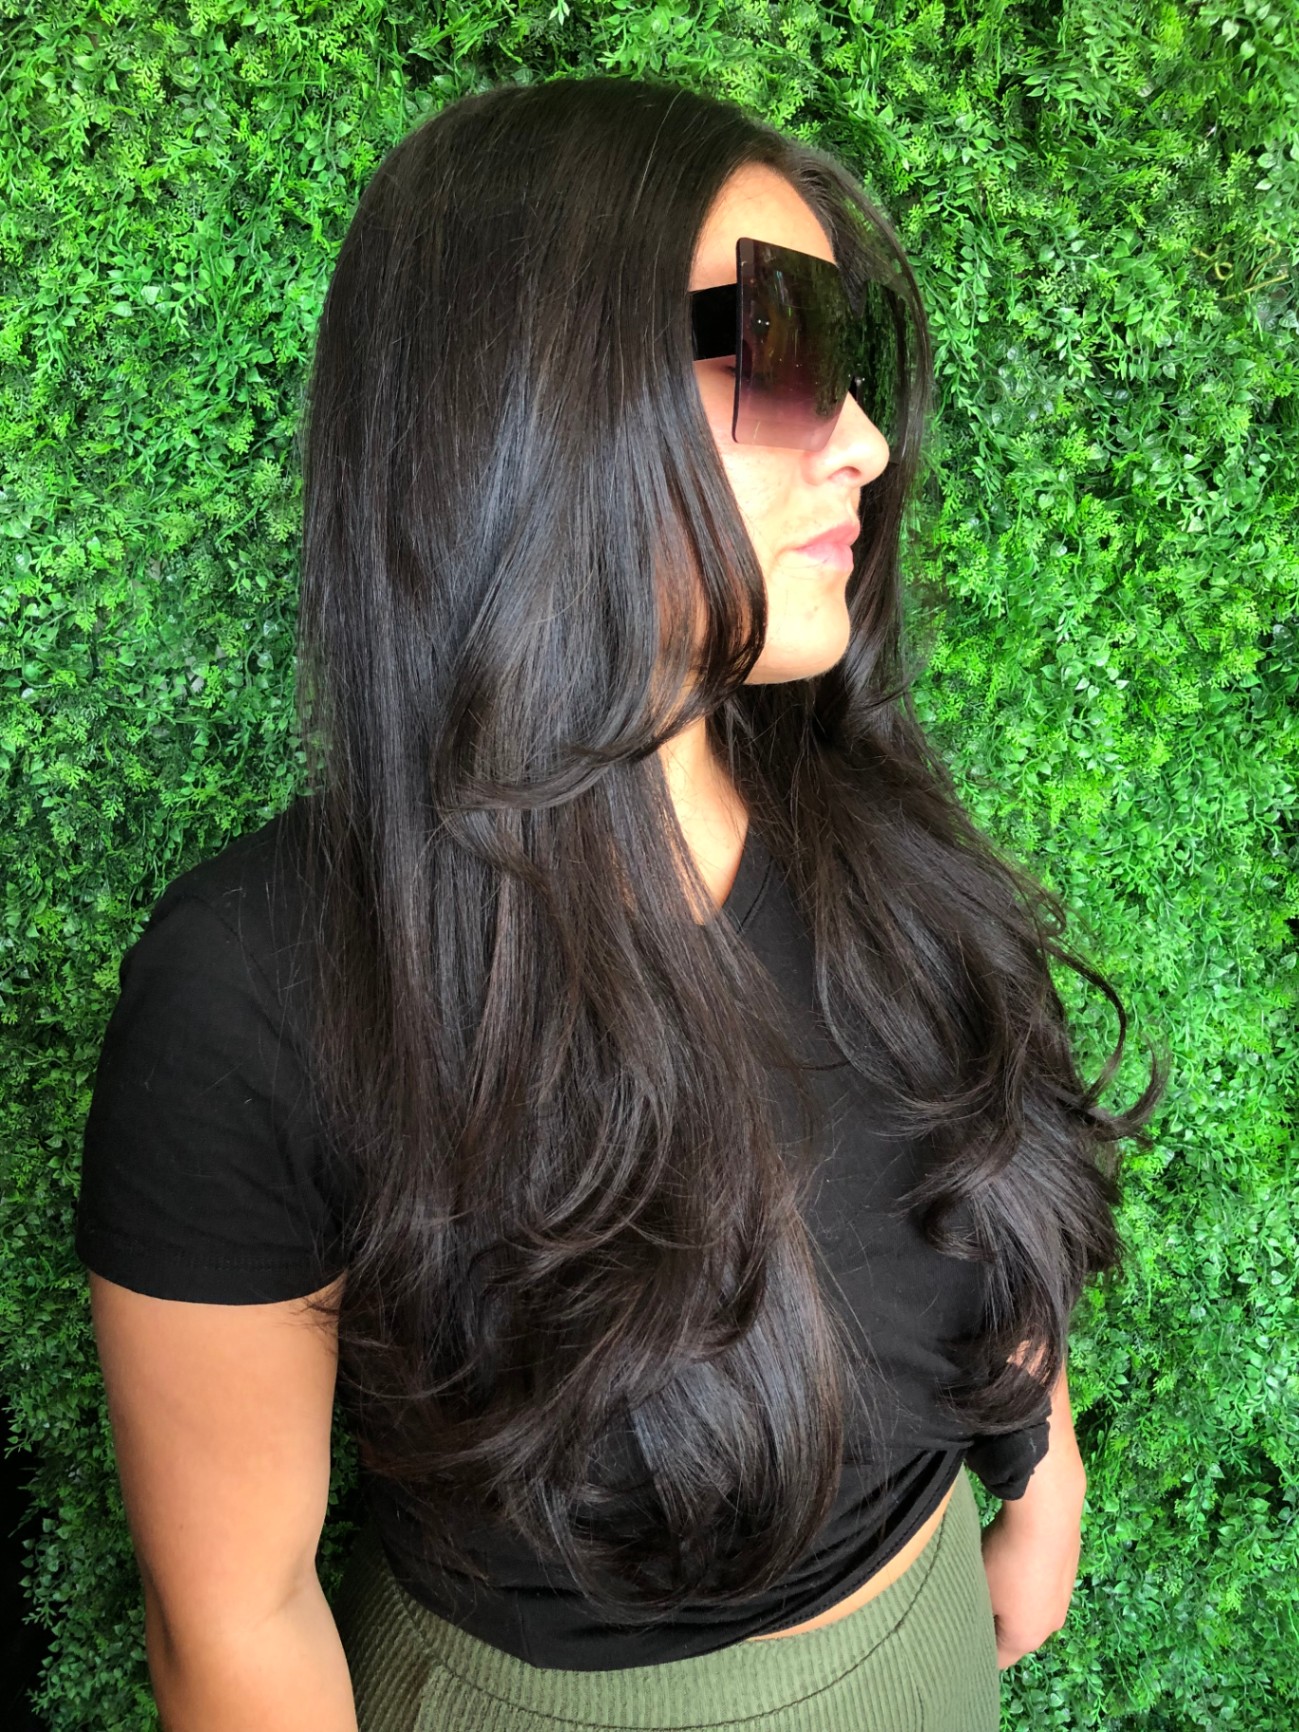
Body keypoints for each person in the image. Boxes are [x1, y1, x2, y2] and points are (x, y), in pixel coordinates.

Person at [76, 74, 1167, 1732]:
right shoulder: (259, 993)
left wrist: (1040, 1468)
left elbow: (968, 1177)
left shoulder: (866, 824)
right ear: (533, 401)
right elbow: (234, 1621)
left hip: (930, 1639)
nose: (865, 440)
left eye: (851, 359)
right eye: (785, 350)